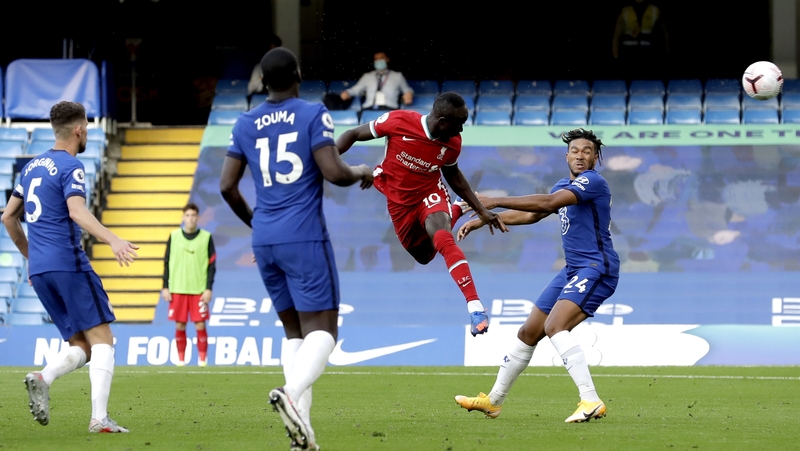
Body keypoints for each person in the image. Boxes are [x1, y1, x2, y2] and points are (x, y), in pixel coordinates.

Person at [220, 47, 373, 451]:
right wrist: (361, 170)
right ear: (298, 75)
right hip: (302, 235)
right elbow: (334, 172)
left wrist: (257, 224)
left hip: (264, 237)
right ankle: (290, 394)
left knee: (294, 332)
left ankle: (302, 431)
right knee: (324, 330)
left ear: (263, 80)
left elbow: (225, 187)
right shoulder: (311, 113)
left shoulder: (244, 122)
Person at [453, 128, 620, 423]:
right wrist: (486, 218)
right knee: (529, 332)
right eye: (575, 150)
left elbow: (547, 204)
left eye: (587, 151)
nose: (581, 155)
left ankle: (591, 400)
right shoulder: (562, 186)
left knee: (556, 326)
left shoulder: (592, 182)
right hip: (572, 270)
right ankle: (493, 401)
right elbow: (533, 215)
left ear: (596, 158)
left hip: (596, 267)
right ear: (567, 155)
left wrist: (495, 201)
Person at [1, 101, 138, 433]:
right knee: (104, 339)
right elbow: (76, 212)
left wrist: (32, 257)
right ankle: (99, 418)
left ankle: (42, 377)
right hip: (68, 263)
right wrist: (113, 240)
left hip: (40, 270)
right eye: (88, 127)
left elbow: (8, 217)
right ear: (78, 130)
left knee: (83, 345)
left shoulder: (32, 166)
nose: (88, 131)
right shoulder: (70, 166)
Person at [336, 92, 508, 335]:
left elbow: (453, 175)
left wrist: (482, 210)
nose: (461, 130)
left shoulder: (453, 142)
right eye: (458, 123)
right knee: (424, 255)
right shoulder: (398, 121)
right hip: (399, 202)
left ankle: (475, 307)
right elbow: (352, 134)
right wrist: (328, 160)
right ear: (441, 121)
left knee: (442, 238)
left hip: (430, 194)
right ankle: (457, 209)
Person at [161, 202, 216, 367]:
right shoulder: (174, 236)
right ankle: (181, 358)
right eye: (188, 215)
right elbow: (166, 262)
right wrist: (165, 286)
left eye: (193, 216)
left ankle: (202, 359)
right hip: (178, 288)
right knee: (180, 324)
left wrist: (208, 288)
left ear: (198, 218)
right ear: (183, 217)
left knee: (200, 323)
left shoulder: (206, 237)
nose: (190, 219)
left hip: (198, 289)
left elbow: (212, 265)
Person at [611, 0, 670, 80]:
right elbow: (616, 36)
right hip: (628, 54)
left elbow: (664, 34)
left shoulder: (655, 10)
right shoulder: (625, 12)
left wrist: (666, 52)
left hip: (649, 55)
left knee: (648, 80)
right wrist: (616, 56)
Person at [339, 51, 414, 110]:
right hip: (369, 108)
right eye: (376, 59)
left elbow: (407, 90)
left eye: (381, 58)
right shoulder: (367, 76)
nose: (379, 61)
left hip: (390, 108)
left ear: (387, 59)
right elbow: (356, 89)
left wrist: (409, 93)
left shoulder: (398, 76)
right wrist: (347, 92)